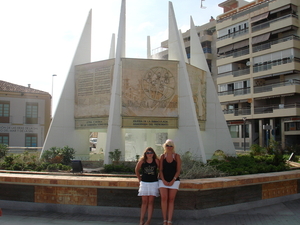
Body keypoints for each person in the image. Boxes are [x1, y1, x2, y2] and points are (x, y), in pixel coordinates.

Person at [158, 139, 181, 225]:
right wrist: (163, 180)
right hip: (163, 180)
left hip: (174, 180)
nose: (169, 147)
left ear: (173, 147)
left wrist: (173, 180)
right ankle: (164, 220)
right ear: (165, 146)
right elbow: (160, 170)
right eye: (167, 145)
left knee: (171, 199)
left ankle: (169, 220)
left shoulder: (177, 156)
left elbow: (178, 170)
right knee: (164, 198)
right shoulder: (162, 156)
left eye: (171, 145)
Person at [135, 147, 160, 225]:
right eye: (148, 153)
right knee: (144, 202)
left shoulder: (156, 161)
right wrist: (139, 178)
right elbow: (136, 169)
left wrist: (158, 177)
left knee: (151, 202)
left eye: (151, 153)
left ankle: (148, 220)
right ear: (145, 154)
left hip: (153, 183)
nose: (149, 154)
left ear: (153, 154)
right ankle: (141, 220)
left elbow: (160, 169)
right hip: (144, 182)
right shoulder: (142, 161)